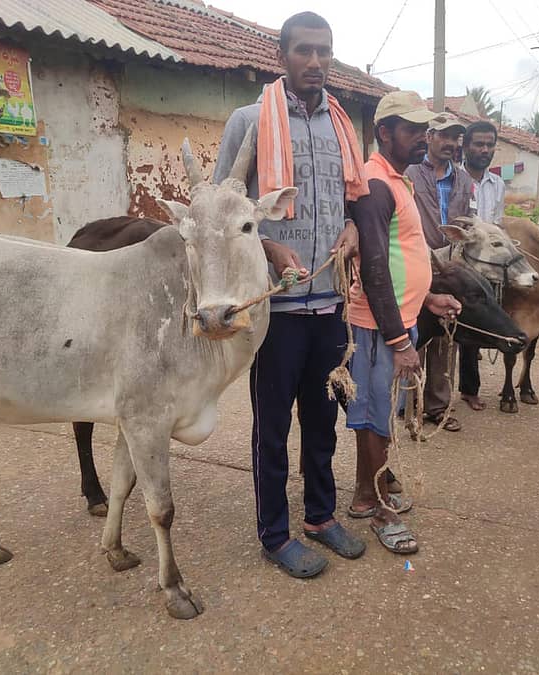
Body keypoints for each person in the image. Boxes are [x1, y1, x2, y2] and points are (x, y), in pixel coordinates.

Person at [213, 11, 369, 578]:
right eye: (304, 50)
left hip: (329, 300)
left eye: (324, 51)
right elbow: (223, 209)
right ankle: (275, 534)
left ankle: (321, 518)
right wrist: (272, 247)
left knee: (323, 422)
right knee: (273, 427)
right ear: (282, 56)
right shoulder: (249, 121)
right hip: (275, 306)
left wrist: (352, 228)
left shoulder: (341, 125)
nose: (316, 62)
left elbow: (354, 199)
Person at [346, 91, 462, 553]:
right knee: (375, 416)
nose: (422, 137)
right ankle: (377, 508)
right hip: (379, 325)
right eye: (412, 129)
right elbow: (373, 268)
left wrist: (428, 297)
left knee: (380, 413)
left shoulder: (399, 180)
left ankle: (362, 495)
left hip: (398, 318)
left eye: (424, 129)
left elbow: (401, 256)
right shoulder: (376, 183)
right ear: (383, 133)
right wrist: (399, 339)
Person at [404, 113, 473, 431]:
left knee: (447, 336)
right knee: (414, 334)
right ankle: (410, 406)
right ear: (429, 136)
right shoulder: (409, 174)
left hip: (453, 264)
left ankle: (438, 406)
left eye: (455, 137)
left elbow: (469, 220)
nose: (449, 143)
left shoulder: (463, 179)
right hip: (417, 262)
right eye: (443, 136)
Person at [458, 120, 505, 411]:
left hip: (487, 265)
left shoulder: (497, 184)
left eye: (489, 145)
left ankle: (469, 388)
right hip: (460, 261)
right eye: (478, 143)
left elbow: (498, 225)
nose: (484, 149)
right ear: (466, 146)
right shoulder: (455, 178)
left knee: (478, 325)